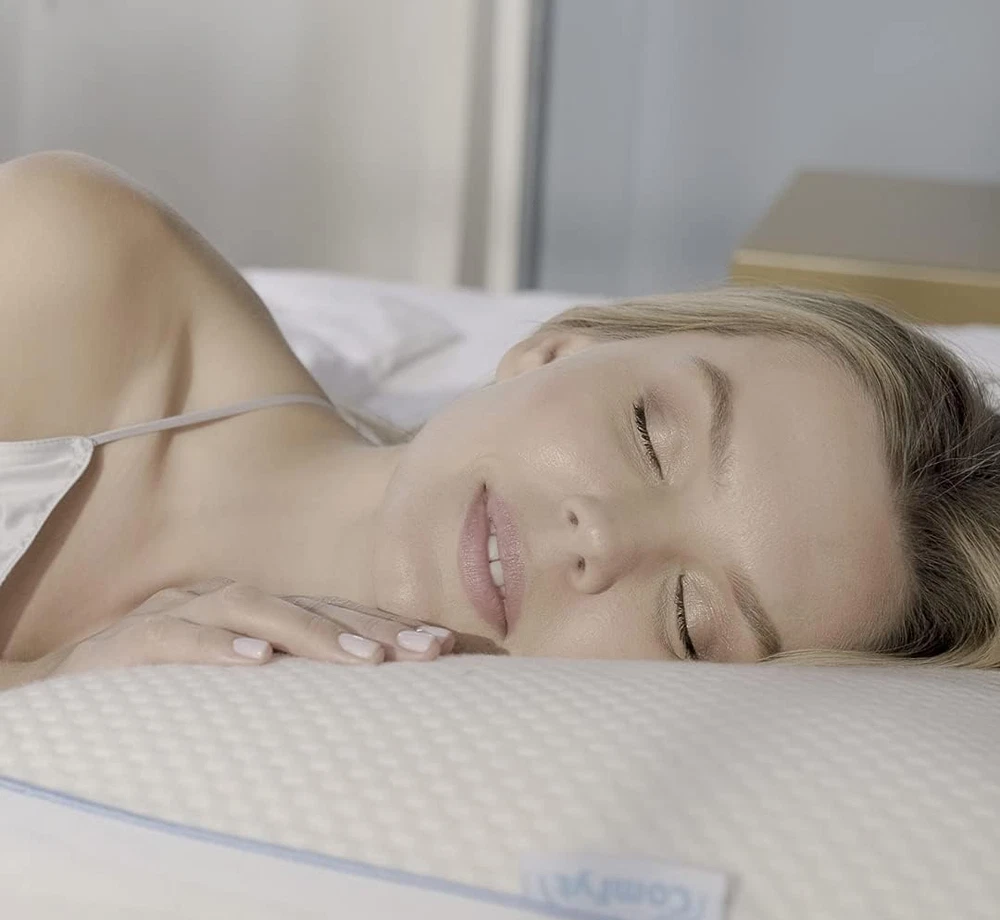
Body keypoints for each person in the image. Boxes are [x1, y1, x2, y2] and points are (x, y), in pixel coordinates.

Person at [0, 152, 998, 691]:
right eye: (648, 433)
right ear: (560, 346)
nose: (603, 539)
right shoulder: (80, 273)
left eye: (690, 621)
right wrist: (48, 681)